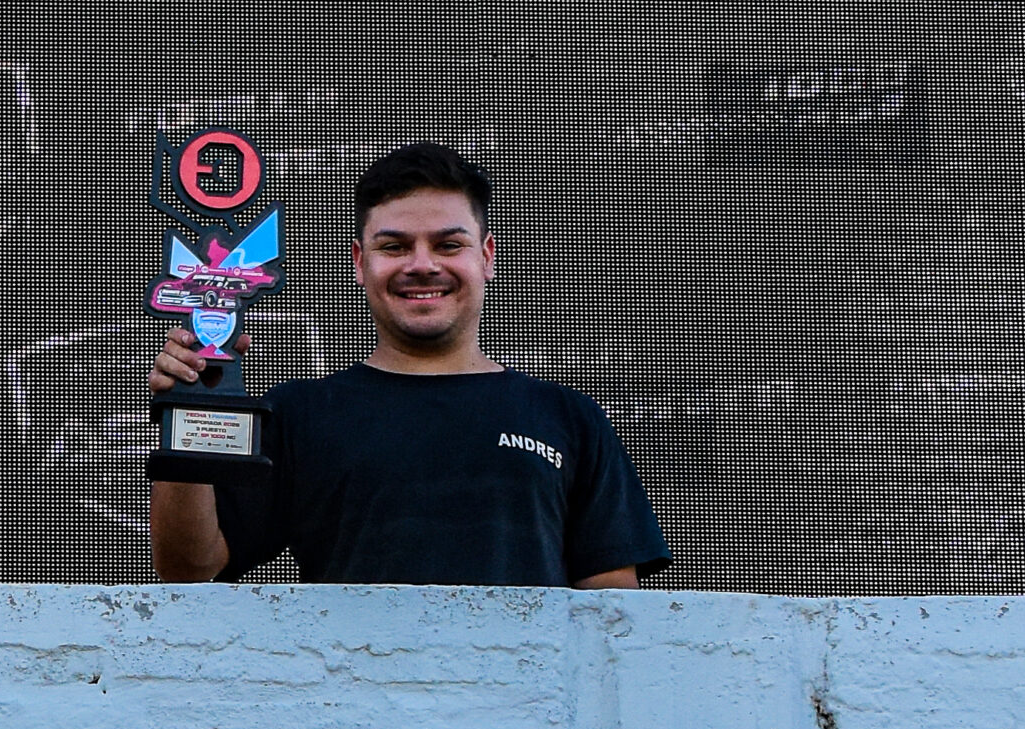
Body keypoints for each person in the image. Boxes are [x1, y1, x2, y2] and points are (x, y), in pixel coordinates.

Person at [148, 142, 668, 588]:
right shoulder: (299, 413)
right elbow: (190, 571)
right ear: (360, 262)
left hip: (525, 683)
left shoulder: (568, 418)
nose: (422, 265)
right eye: (394, 246)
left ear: (486, 256)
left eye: (449, 244)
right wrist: (188, 408)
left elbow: (611, 613)